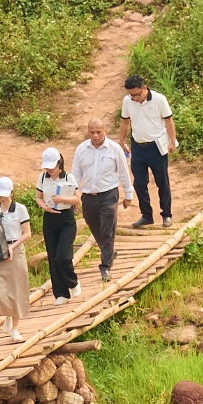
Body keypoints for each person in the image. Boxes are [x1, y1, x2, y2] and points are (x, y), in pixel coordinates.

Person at [72, 117, 135, 282]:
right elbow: (76, 174)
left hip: (108, 194)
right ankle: (110, 252)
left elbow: (123, 173)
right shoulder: (81, 150)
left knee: (108, 230)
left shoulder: (114, 149)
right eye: (92, 132)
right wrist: (73, 194)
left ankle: (105, 267)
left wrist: (129, 195)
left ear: (104, 131)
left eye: (98, 132)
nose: (95, 136)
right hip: (88, 196)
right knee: (93, 226)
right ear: (88, 132)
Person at [119, 75, 178, 228]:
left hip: (156, 147)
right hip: (138, 147)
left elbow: (169, 121)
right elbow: (125, 121)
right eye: (131, 95)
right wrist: (121, 141)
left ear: (144, 88)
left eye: (137, 94)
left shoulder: (159, 99)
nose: (134, 98)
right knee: (139, 183)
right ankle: (146, 215)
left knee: (162, 181)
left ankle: (166, 214)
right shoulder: (128, 101)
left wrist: (172, 141)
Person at [0, 177, 32, 343]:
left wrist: (13, 246)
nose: (2, 199)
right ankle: (7, 315)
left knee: (17, 289)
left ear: (11, 193)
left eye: (4, 195)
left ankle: (16, 328)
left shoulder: (20, 209)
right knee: (0, 292)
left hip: (15, 251)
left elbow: (27, 233)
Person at [35, 147, 82, 304]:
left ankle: (72, 282)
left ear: (59, 163)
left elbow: (77, 199)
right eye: (47, 167)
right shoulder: (42, 178)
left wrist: (62, 199)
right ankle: (60, 293)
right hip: (50, 219)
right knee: (53, 257)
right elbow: (38, 197)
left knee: (63, 255)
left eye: (52, 167)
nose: (49, 170)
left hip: (66, 218)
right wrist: (45, 207)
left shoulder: (69, 177)